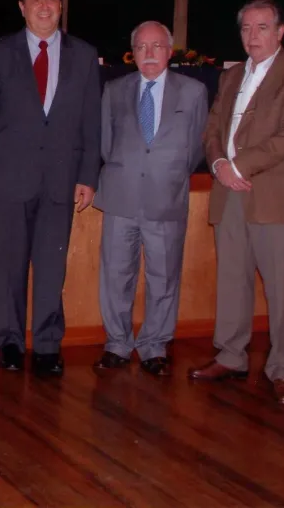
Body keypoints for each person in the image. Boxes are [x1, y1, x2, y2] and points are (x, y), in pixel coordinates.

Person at [0, 0, 101, 376]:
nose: (44, 6)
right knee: (10, 267)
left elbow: (91, 121)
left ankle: (48, 344)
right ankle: (10, 343)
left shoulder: (84, 55)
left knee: (52, 267)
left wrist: (88, 175)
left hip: (60, 181)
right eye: (35, 0)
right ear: (22, 7)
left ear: (61, 6)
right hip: (8, 181)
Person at [190, 0, 284, 405]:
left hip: (271, 196)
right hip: (227, 191)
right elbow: (213, 128)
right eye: (246, 28)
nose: (253, 35)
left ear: (280, 31)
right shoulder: (231, 76)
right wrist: (218, 164)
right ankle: (231, 356)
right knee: (232, 280)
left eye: (262, 27)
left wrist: (239, 166)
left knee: (283, 288)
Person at [93, 21, 208, 376]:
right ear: (133, 53)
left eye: (157, 46)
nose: (149, 53)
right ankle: (117, 344)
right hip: (120, 197)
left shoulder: (193, 92)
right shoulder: (114, 90)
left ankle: (154, 346)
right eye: (141, 47)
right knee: (116, 276)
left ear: (169, 51)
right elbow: (106, 144)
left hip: (166, 197)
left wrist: (166, 172)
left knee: (164, 278)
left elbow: (196, 148)